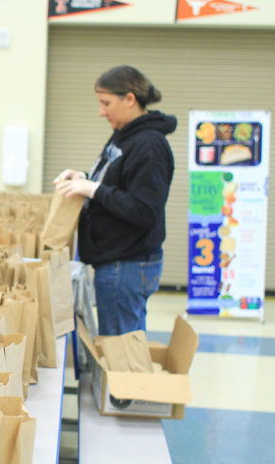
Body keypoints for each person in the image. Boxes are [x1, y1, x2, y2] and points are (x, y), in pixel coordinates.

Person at [54, 65, 176, 336]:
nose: (102, 111)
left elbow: (144, 210)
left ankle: (131, 382)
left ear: (130, 99)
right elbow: (116, 184)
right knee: (118, 348)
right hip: (116, 262)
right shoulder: (125, 135)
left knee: (123, 353)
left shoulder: (149, 145)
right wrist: (83, 179)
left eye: (106, 103)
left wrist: (92, 189)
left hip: (128, 264)